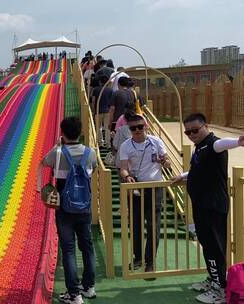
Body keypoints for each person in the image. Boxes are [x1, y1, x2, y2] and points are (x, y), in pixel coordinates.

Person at [172, 113, 244, 304]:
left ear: (206, 126)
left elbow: (223, 144)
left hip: (212, 207)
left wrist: (238, 141)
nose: (191, 134)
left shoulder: (213, 143)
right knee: (207, 245)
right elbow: (199, 170)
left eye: (195, 130)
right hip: (202, 205)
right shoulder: (200, 148)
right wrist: (184, 176)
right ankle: (213, 280)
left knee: (214, 247)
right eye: (188, 132)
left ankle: (220, 289)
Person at [40, 117, 98, 304]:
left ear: (62, 132)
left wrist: (59, 145)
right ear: (80, 131)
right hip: (84, 207)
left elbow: (43, 162)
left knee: (69, 250)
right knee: (87, 247)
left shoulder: (57, 153)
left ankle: (74, 294)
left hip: (65, 208)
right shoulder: (90, 153)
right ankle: (88, 287)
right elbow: (93, 171)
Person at [119, 114, 170, 274]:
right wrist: (127, 176)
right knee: (135, 225)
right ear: (129, 129)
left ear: (146, 126)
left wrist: (164, 161)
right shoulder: (126, 145)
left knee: (153, 225)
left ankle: (150, 261)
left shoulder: (156, 142)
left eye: (140, 127)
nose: (137, 130)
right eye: (133, 128)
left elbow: (167, 163)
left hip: (154, 188)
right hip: (135, 189)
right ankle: (138, 258)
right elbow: (123, 168)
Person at [91, 75, 113, 147]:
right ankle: (108, 144)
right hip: (108, 111)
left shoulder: (95, 89)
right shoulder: (110, 90)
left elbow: (93, 101)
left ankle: (100, 143)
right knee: (107, 128)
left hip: (98, 111)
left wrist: (93, 110)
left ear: (100, 82)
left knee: (98, 128)